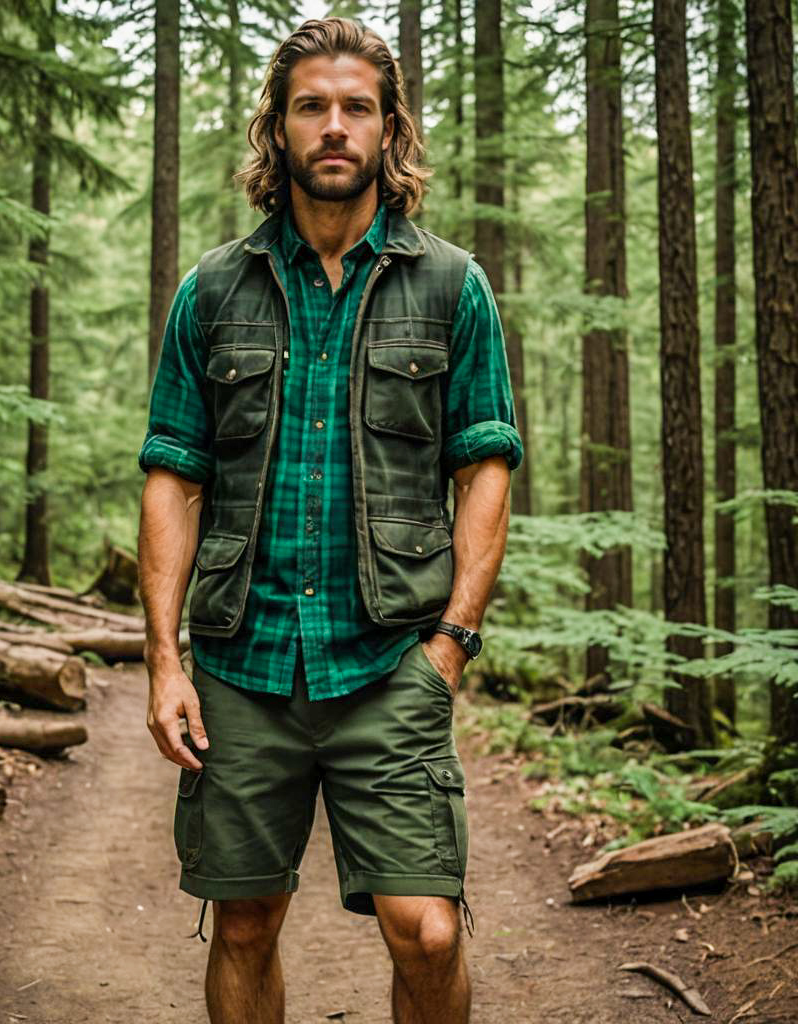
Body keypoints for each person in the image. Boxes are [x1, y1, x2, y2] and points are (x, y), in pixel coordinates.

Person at [137, 16, 523, 1024]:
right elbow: (173, 476)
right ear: (279, 128)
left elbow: (484, 466)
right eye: (312, 106)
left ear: (387, 129)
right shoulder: (212, 290)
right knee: (245, 923)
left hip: (390, 659)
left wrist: (451, 643)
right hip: (241, 665)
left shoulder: (451, 286)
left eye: (357, 107)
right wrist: (165, 660)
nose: (335, 126)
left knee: (426, 930)